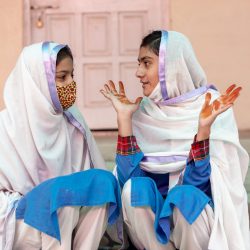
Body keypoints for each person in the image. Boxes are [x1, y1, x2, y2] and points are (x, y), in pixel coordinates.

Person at [100, 30, 249, 250]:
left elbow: (206, 186)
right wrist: (124, 119)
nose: (138, 73)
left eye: (146, 63)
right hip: (152, 234)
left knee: (184, 196)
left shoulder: (211, 107)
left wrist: (203, 130)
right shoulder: (144, 111)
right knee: (133, 188)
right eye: (139, 63)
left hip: (196, 223)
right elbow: (126, 180)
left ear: (170, 66)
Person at [0, 42, 121, 250]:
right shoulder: (5, 128)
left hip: (67, 216)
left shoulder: (72, 121)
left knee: (102, 183)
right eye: (62, 77)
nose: (71, 83)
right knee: (61, 194)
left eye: (72, 76)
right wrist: (37, 200)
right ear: (37, 81)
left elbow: (87, 182)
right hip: (23, 222)